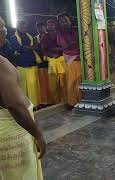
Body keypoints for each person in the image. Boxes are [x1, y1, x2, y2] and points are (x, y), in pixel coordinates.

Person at [0, 17, 46, 179]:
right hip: (11, 132)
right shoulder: (1, 64)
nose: (6, 30)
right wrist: (38, 134)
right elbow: (15, 106)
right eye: (3, 26)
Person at [10, 20, 42, 109]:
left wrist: (28, 48)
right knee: (23, 86)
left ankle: (35, 105)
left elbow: (33, 48)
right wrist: (31, 48)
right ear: (17, 26)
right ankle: (25, 105)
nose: (24, 29)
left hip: (32, 64)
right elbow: (19, 48)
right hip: (21, 65)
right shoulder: (13, 38)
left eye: (26, 27)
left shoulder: (30, 37)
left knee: (33, 86)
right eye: (22, 26)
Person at [57, 13, 82, 107]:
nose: (64, 23)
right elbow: (65, 46)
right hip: (70, 59)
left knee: (80, 81)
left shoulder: (76, 30)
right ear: (59, 23)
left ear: (70, 21)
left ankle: (81, 100)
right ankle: (72, 102)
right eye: (62, 21)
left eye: (66, 21)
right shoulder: (60, 34)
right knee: (72, 81)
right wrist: (72, 44)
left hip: (80, 58)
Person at [41, 19, 66, 104]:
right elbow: (43, 50)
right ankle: (55, 101)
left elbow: (65, 47)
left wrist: (58, 51)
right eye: (48, 25)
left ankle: (65, 99)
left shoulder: (60, 34)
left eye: (51, 24)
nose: (50, 26)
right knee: (53, 85)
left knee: (63, 82)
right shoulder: (44, 36)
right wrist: (51, 54)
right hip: (51, 61)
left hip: (61, 60)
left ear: (55, 25)